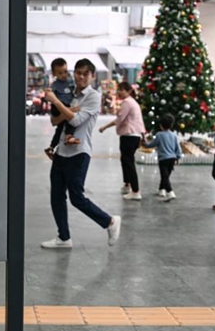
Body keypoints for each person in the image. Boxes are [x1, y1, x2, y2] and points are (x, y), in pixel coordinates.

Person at [40, 58, 122, 249]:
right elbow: (55, 121)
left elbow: (76, 121)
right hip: (62, 151)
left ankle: (109, 221)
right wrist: (62, 108)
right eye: (78, 72)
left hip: (79, 153)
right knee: (56, 196)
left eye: (86, 73)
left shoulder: (92, 97)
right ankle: (64, 237)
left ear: (92, 76)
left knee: (77, 197)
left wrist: (56, 102)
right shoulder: (69, 92)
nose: (81, 76)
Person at [98, 82, 146, 200]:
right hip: (134, 135)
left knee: (128, 162)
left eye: (122, 90)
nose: (119, 92)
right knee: (126, 160)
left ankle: (135, 191)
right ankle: (127, 184)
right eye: (118, 89)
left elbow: (119, 119)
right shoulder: (133, 102)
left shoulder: (127, 102)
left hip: (129, 135)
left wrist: (104, 127)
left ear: (129, 91)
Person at [44, 58, 77, 160]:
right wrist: (48, 94)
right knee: (70, 120)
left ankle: (51, 147)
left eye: (65, 71)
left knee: (60, 128)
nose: (64, 75)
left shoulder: (71, 82)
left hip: (67, 106)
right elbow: (48, 96)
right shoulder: (54, 85)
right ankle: (69, 136)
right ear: (54, 73)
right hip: (58, 107)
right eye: (60, 73)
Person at [144, 114, 182, 202]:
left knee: (164, 176)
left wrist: (145, 143)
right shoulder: (174, 135)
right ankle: (161, 190)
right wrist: (178, 157)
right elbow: (178, 147)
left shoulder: (159, 134)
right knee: (166, 175)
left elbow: (152, 144)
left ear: (161, 125)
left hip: (163, 159)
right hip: (172, 158)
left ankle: (170, 192)